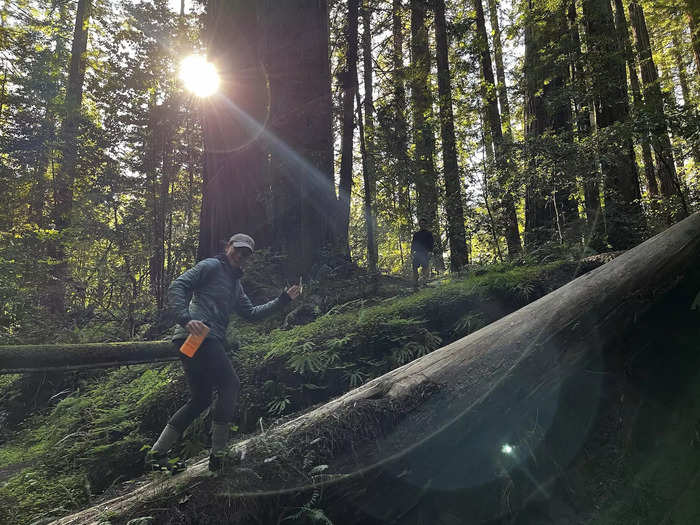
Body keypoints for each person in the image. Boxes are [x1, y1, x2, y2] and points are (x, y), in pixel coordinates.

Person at [147, 233, 301, 473]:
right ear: (228, 247)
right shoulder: (211, 266)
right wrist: (186, 319)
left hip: (195, 340)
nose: (241, 255)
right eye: (238, 249)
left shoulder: (235, 284)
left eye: (246, 253)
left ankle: (158, 452)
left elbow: (251, 313)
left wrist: (283, 299)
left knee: (200, 399)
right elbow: (178, 285)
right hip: (197, 335)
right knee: (230, 384)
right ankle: (219, 456)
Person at [411, 221, 434, 289]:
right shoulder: (416, 234)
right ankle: (416, 282)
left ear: (426, 224)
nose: (422, 225)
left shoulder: (429, 233)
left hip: (425, 253)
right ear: (419, 225)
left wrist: (430, 251)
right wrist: (412, 251)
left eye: (423, 223)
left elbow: (431, 243)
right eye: (421, 224)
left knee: (425, 267)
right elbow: (413, 243)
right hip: (417, 253)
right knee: (415, 267)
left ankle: (424, 282)